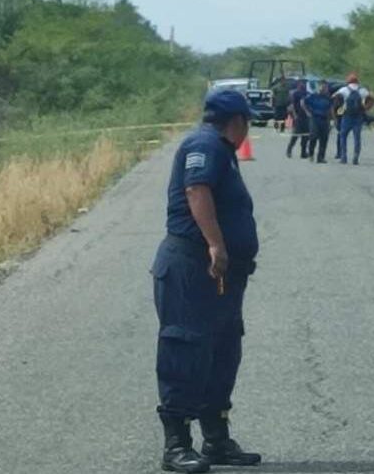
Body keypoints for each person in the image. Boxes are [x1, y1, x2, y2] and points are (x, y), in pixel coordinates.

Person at [152, 90, 262, 473]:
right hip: (193, 265)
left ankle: (216, 440)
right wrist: (216, 244)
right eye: (248, 122)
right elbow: (196, 190)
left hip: (222, 273)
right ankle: (177, 445)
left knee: (221, 352)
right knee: (186, 350)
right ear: (238, 122)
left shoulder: (220, 149)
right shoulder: (205, 144)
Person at [335, 73, 371, 165]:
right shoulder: (362, 90)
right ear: (357, 81)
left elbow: (335, 97)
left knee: (343, 136)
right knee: (357, 138)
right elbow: (372, 97)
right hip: (358, 116)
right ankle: (355, 157)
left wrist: (340, 108)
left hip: (347, 116)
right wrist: (367, 107)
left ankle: (344, 157)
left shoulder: (344, 89)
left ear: (348, 81)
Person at [302, 80, 333, 163]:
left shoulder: (328, 98)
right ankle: (311, 154)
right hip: (314, 118)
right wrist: (307, 112)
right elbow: (303, 102)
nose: (323, 89)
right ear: (318, 87)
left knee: (324, 139)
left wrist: (331, 121)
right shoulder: (313, 96)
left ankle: (321, 157)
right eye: (322, 87)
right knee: (313, 137)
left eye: (325, 87)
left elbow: (330, 110)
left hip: (324, 119)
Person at [286, 80, 310, 159]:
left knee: (305, 136)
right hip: (298, 116)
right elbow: (292, 105)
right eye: (302, 83)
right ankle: (289, 150)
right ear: (298, 84)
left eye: (305, 83)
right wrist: (295, 115)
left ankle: (303, 152)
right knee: (295, 134)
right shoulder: (295, 93)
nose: (303, 84)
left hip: (306, 117)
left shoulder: (307, 93)